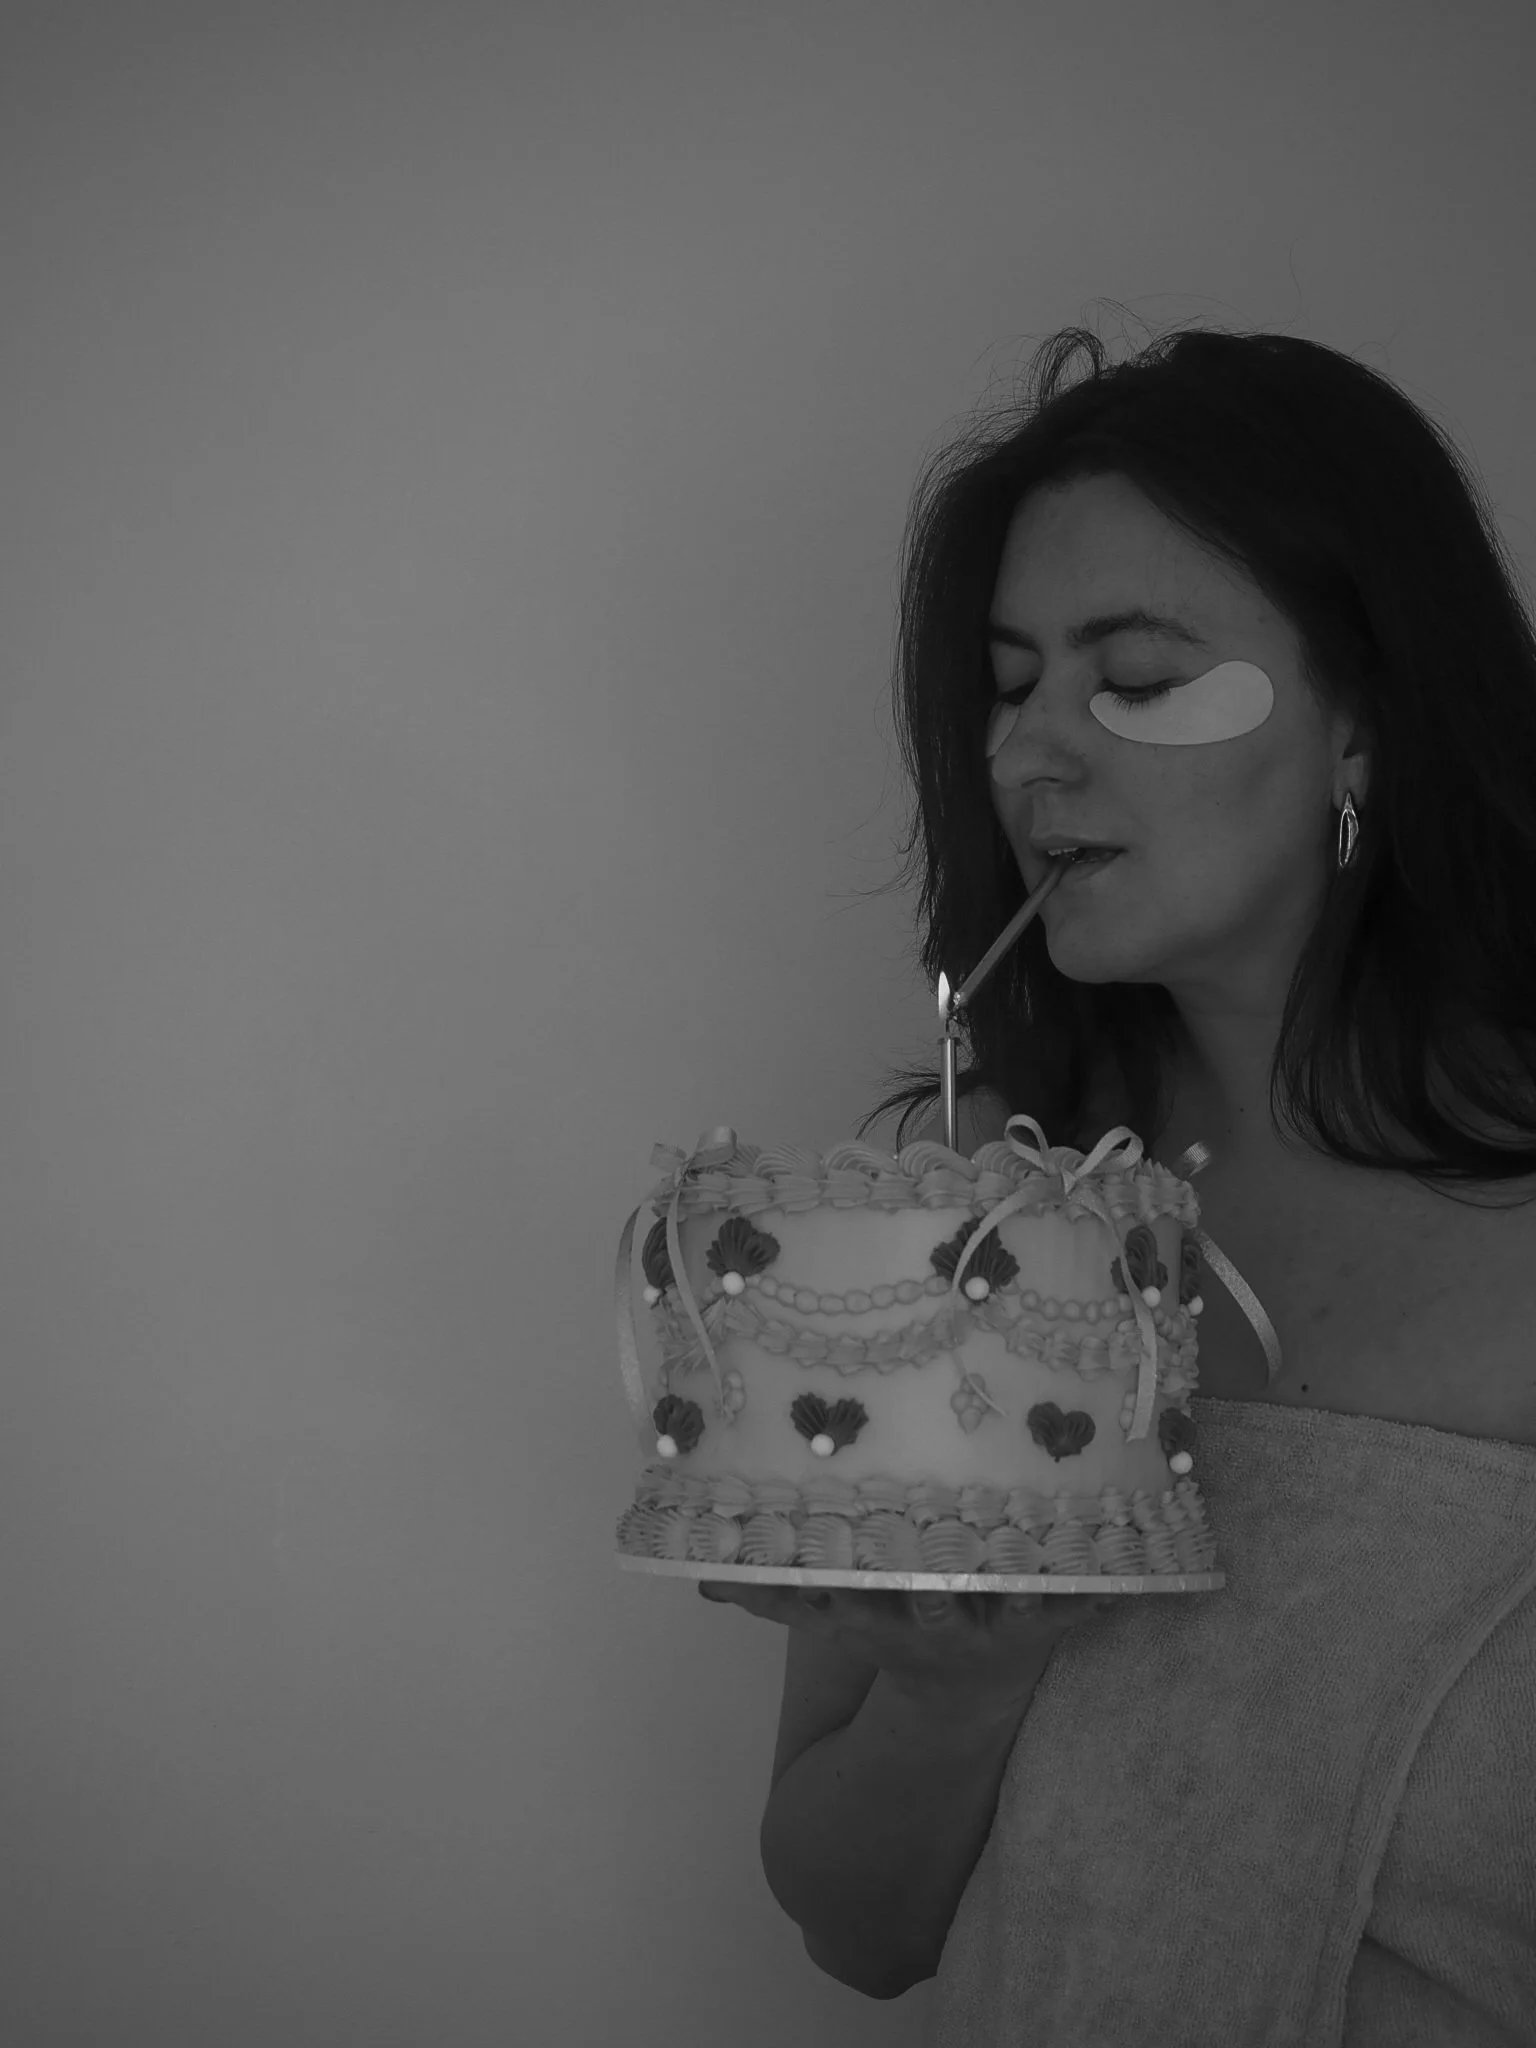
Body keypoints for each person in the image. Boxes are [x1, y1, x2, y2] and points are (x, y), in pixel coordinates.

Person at [702, 323, 1536, 2044]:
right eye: (1011, 684)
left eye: (1135, 676)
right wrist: (964, 1684)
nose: (1025, 755)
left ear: (1364, 725)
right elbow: (859, 1934)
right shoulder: (950, 1216)